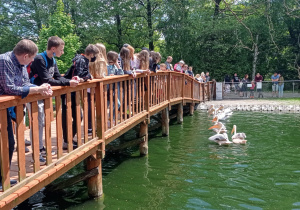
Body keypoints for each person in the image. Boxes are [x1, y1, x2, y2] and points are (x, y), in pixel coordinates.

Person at [0, 39, 52, 188]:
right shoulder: (4, 61)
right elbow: (10, 88)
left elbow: (24, 83)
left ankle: (3, 177)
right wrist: (36, 90)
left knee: (9, 143)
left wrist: (41, 87)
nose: (31, 62)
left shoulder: (21, 64)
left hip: (6, 110)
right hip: (2, 107)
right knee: (6, 143)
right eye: (31, 58)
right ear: (25, 56)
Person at [30, 36, 79, 159]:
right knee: (37, 123)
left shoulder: (53, 60)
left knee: (41, 122)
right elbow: (47, 80)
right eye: (61, 50)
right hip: (34, 95)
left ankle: (40, 148)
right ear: (53, 49)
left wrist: (70, 80)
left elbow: (58, 77)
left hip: (43, 95)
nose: (62, 52)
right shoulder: (39, 59)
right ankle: (37, 151)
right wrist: (68, 83)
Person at [62, 44, 99, 150]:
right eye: (94, 55)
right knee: (68, 116)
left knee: (78, 116)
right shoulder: (81, 60)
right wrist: (87, 77)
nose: (94, 58)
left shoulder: (83, 60)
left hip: (74, 92)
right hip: (68, 91)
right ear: (91, 54)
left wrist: (87, 77)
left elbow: (84, 75)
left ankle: (69, 139)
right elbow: (79, 75)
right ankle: (66, 141)